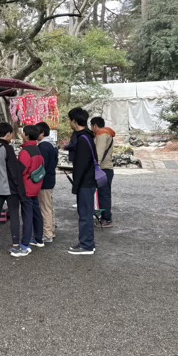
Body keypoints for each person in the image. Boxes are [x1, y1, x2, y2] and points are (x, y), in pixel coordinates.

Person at [0, 122, 29, 257]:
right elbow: (13, 171)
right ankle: (15, 246)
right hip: (10, 189)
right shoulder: (8, 149)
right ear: (8, 134)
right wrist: (20, 190)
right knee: (15, 215)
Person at [67, 107, 97, 255]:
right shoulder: (86, 136)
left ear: (74, 120)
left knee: (85, 215)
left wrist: (76, 185)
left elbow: (81, 165)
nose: (70, 123)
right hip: (88, 181)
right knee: (86, 213)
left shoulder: (83, 139)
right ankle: (88, 242)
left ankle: (86, 245)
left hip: (85, 182)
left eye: (70, 120)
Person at [18, 125, 45, 252]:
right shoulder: (37, 150)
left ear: (27, 136)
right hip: (36, 185)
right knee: (36, 212)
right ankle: (38, 239)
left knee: (27, 215)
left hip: (26, 187)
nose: (22, 135)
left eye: (23, 133)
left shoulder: (25, 152)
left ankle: (25, 244)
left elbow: (21, 170)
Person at [35, 122, 58, 243]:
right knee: (49, 206)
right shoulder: (52, 144)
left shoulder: (43, 146)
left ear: (42, 133)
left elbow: (41, 166)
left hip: (44, 180)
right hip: (50, 178)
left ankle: (48, 234)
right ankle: (52, 229)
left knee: (45, 208)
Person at [91, 116, 115, 227]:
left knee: (103, 195)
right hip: (107, 168)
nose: (92, 129)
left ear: (95, 125)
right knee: (104, 194)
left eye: (92, 126)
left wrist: (94, 167)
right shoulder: (108, 133)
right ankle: (104, 217)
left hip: (103, 169)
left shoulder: (101, 134)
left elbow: (99, 154)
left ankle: (106, 219)